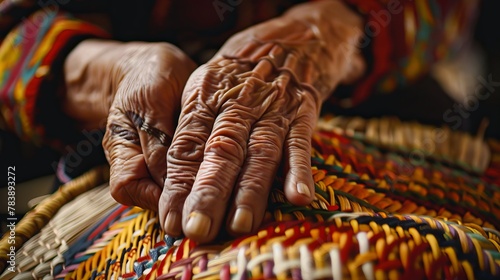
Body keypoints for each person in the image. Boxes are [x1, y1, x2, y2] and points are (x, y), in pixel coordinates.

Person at [0, 0, 478, 243]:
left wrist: (328, 28)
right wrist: (118, 72)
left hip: (374, 87)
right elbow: (10, 34)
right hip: (119, 130)